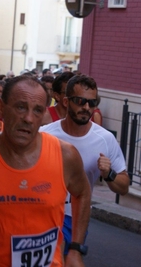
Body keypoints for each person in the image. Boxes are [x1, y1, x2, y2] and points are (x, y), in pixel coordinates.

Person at [0, 75, 92, 267]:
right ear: (1, 108)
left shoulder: (65, 155)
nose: (28, 118)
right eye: (21, 107)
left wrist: (75, 249)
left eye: (37, 110)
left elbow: (83, 193)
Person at [40, 74, 129, 257]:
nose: (86, 108)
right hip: (42, 213)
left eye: (92, 102)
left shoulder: (104, 139)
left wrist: (109, 173)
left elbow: (124, 186)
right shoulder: (45, 135)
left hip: (74, 217)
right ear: (66, 101)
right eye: (80, 101)